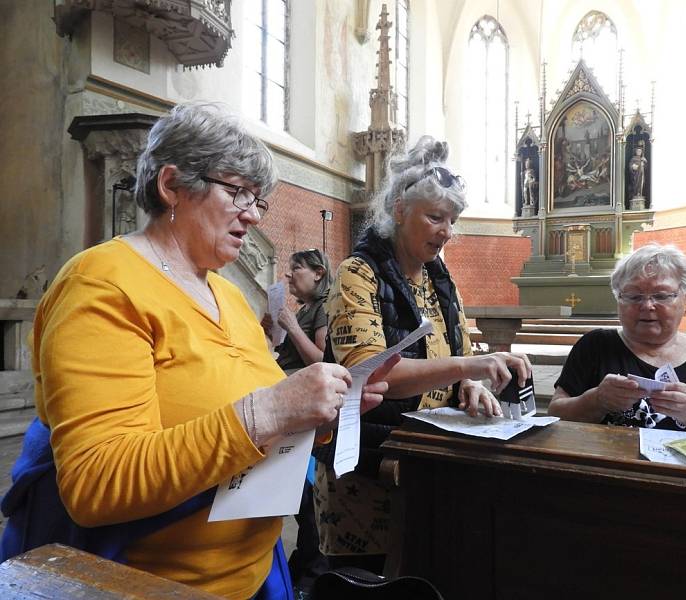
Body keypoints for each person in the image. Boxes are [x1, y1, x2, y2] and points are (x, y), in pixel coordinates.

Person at [0, 102, 394, 600]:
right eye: (238, 193)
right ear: (172, 187)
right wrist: (272, 408)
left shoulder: (228, 294)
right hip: (143, 582)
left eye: (259, 200)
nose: (253, 215)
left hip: (256, 574)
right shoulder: (101, 284)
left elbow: (250, 425)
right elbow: (96, 482)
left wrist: (317, 416)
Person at [315, 135, 533, 574]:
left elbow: (461, 351)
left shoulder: (440, 277)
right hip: (371, 463)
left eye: (452, 219)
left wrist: (470, 384)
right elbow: (371, 374)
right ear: (398, 210)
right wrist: (467, 367)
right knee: (371, 579)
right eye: (435, 217)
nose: (447, 231)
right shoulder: (358, 273)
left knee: (429, 571)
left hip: (428, 457)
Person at [548, 243, 686, 435]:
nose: (647, 306)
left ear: (683, 299)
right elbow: (555, 414)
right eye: (634, 296)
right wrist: (596, 400)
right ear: (618, 300)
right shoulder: (595, 346)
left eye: (661, 295)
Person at [262, 249, 333, 596]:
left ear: (319, 273)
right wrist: (272, 330)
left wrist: (290, 325)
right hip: (288, 408)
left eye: (297, 270)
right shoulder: (306, 310)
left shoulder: (322, 309)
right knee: (294, 496)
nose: (290, 276)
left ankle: (310, 572)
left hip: (305, 415)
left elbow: (320, 360)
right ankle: (301, 568)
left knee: (305, 498)